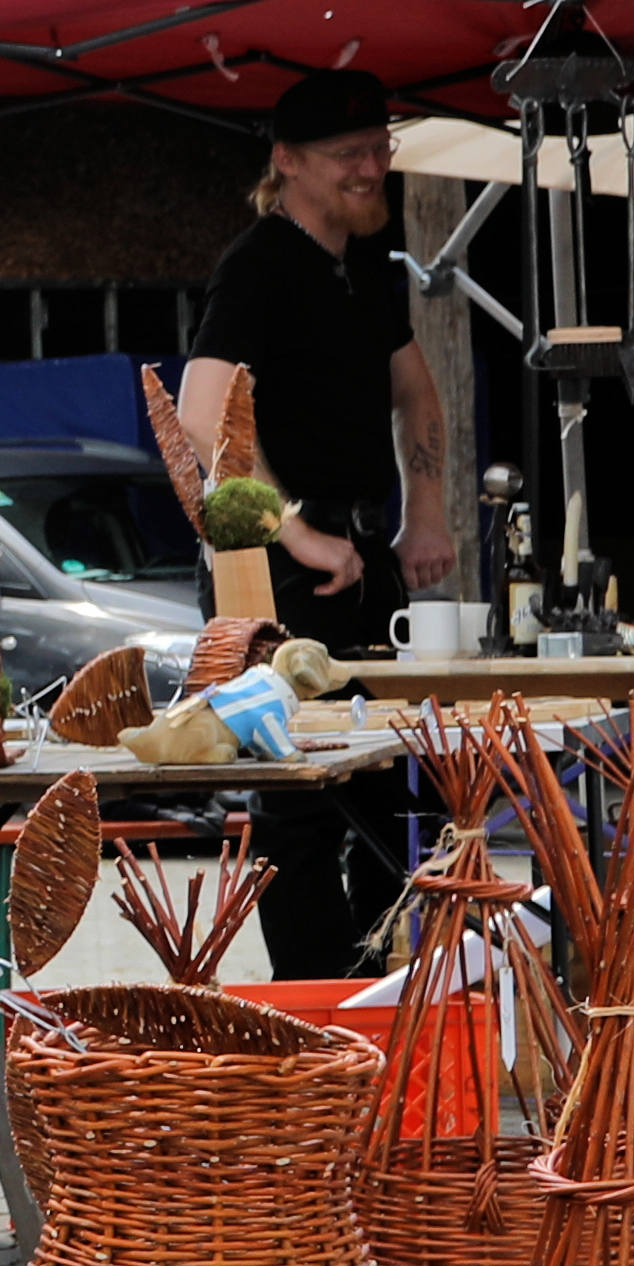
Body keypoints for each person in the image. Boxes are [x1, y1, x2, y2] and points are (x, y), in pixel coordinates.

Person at [187, 68, 439, 974]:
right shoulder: (257, 265)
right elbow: (201, 413)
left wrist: (427, 515)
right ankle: (318, 1006)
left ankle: (382, 987)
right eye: (348, 154)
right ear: (287, 161)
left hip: (364, 556)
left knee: (397, 784)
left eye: (380, 147)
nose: (372, 168)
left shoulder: (366, 260)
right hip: (280, 575)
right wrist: (291, 529)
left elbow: (418, 393)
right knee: (298, 800)